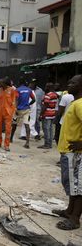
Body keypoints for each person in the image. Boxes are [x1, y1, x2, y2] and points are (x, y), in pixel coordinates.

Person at [53, 75, 82, 230]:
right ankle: (69, 211)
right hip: (68, 151)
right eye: (69, 81)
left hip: (75, 153)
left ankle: (75, 219)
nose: (69, 84)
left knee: (77, 187)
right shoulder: (74, 102)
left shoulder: (80, 104)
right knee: (72, 185)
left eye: (73, 83)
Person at [11, 78, 35, 149]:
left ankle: (11, 138)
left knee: (14, 125)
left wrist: (15, 108)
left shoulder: (17, 90)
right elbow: (34, 99)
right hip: (26, 109)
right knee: (27, 125)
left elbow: (16, 99)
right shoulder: (29, 90)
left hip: (18, 110)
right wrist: (28, 104)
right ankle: (27, 142)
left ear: (19, 83)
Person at [0, 77, 17, 151]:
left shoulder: (12, 90)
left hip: (8, 113)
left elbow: (13, 102)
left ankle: (6, 145)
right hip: (0, 112)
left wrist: (12, 113)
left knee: (8, 129)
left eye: (1, 83)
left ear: (5, 83)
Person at [38, 83, 58, 149]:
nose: (45, 87)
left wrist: (40, 115)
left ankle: (47, 144)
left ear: (48, 87)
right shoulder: (55, 95)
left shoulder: (47, 95)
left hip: (46, 114)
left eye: (46, 86)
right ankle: (50, 144)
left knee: (46, 129)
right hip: (52, 114)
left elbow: (45, 106)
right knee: (51, 129)